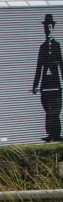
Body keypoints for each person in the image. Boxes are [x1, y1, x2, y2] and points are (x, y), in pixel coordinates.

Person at [32, 13, 63, 142]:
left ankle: (56, 134)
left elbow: (61, 65)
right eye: (46, 27)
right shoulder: (42, 47)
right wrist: (35, 85)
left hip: (55, 83)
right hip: (46, 84)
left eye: (50, 26)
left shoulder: (56, 46)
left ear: (53, 28)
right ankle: (50, 134)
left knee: (55, 110)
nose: (48, 29)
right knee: (48, 110)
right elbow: (39, 67)